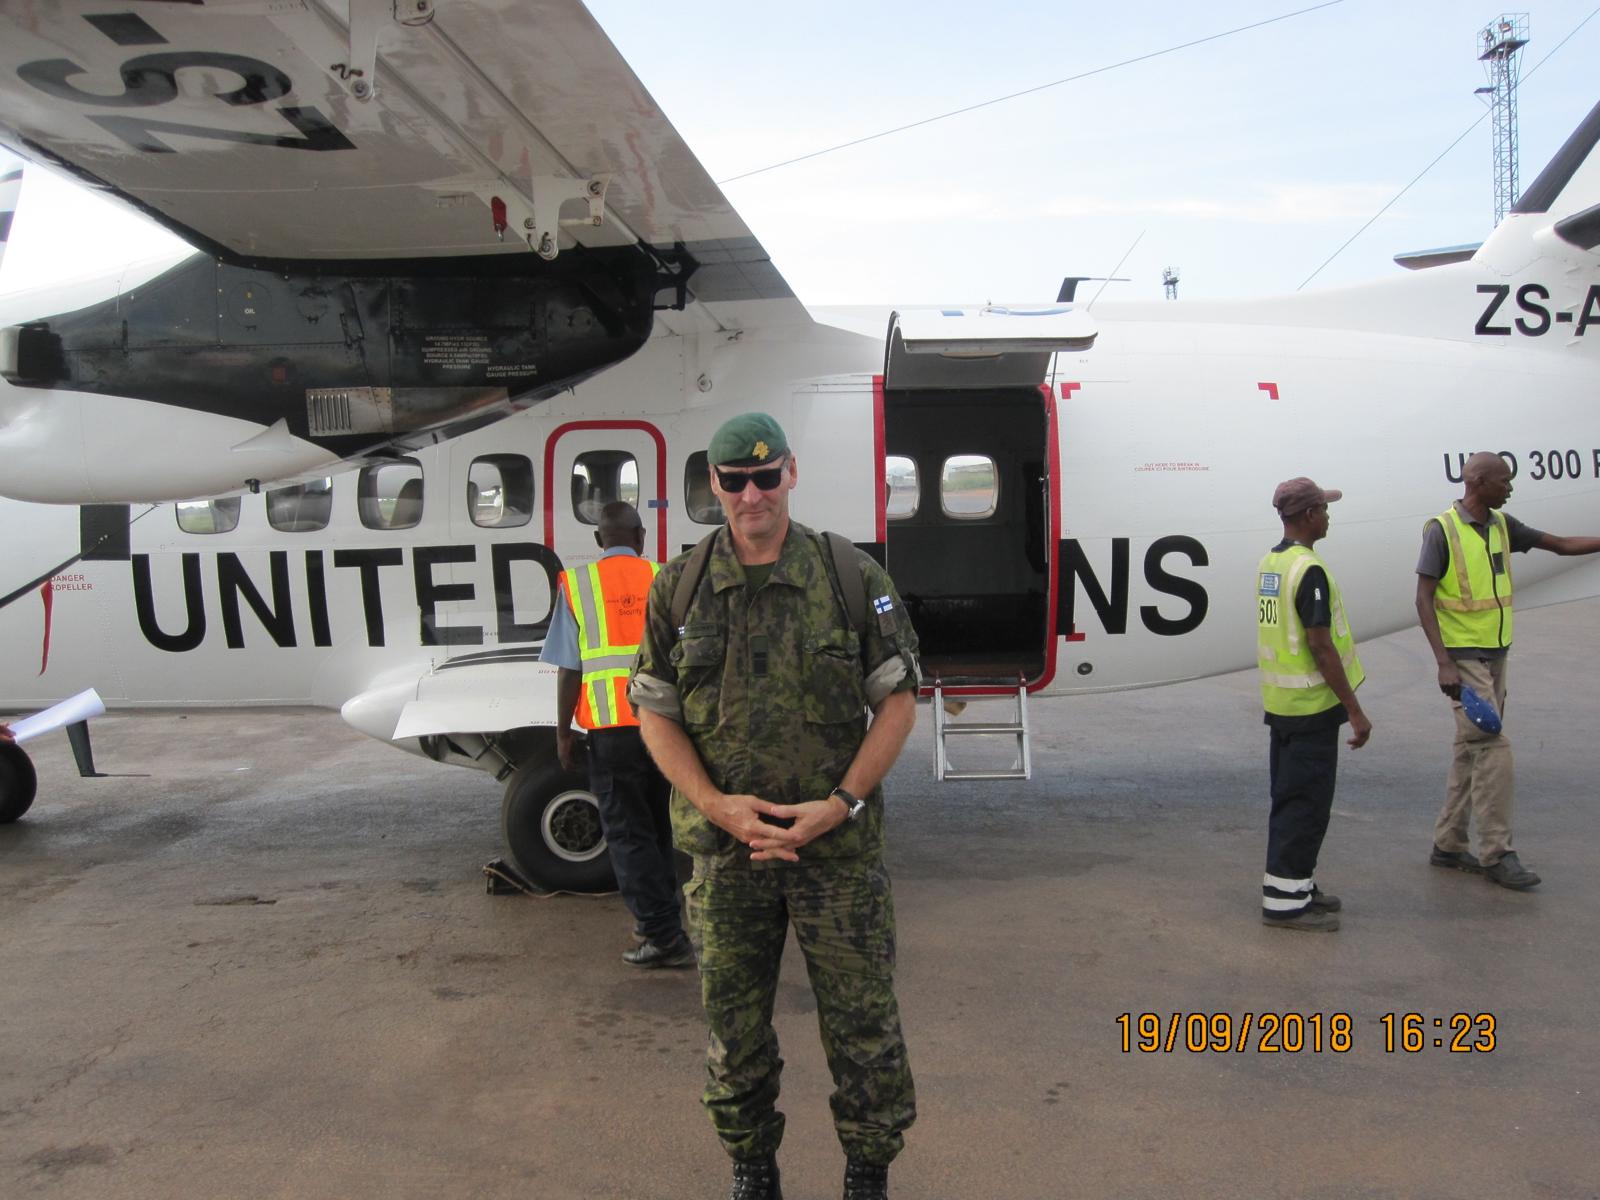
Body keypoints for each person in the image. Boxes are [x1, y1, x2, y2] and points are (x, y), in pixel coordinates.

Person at [629, 413, 920, 1200]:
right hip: (729, 859)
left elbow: (898, 701)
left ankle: (868, 1175)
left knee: (865, 1030)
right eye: (735, 479)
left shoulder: (850, 577)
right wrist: (714, 805)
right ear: (714, 484)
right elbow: (654, 710)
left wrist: (842, 803)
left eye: (765, 476)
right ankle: (753, 1172)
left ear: (791, 472)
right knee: (735, 1033)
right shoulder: (678, 587)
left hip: (836, 858)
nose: (751, 494)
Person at [1415, 451, 1600, 890]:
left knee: (1470, 749)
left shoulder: (1502, 524)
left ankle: (1448, 843)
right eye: (1504, 481)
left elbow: (1560, 544)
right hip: (1464, 658)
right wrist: (1443, 663)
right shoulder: (1442, 530)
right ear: (1478, 482)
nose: (1511, 488)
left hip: (1495, 654)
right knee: (1493, 747)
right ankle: (1497, 853)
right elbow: (1423, 598)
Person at [540, 500, 692, 968]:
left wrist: (563, 732)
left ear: (597, 540)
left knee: (628, 835)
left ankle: (664, 937)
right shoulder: (664, 577)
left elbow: (570, 669)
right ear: (641, 536)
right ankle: (661, 921)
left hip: (611, 731)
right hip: (665, 728)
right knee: (659, 827)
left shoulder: (577, 584)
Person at [1255, 477, 1371, 933]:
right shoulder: (1309, 570)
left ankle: (1296, 886)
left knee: (1290, 801)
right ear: (1307, 515)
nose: (1328, 516)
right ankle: (1285, 906)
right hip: (1310, 708)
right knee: (1305, 807)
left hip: (1282, 705)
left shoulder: (1272, 562)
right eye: (1323, 508)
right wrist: (1354, 709)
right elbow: (1321, 645)